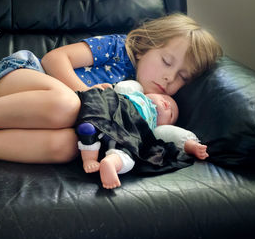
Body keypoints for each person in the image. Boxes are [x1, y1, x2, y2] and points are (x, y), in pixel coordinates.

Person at [0, 13, 222, 165]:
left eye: (182, 77)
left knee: (68, 146)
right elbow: (54, 58)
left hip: (26, 127)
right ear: (145, 46)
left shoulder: (141, 105)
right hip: (20, 82)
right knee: (68, 104)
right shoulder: (117, 49)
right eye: (167, 62)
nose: (170, 80)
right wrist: (81, 93)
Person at [76, 80, 208, 189]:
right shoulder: (136, 95)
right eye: (164, 98)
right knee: (97, 98)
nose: (167, 104)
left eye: (171, 114)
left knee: (132, 153)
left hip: (130, 132)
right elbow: (125, 87)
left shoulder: (156, 129)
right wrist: (108, 87)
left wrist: (192, 146)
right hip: (115, 108)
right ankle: (89, 156)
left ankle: (111, 163)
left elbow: (176, 135)